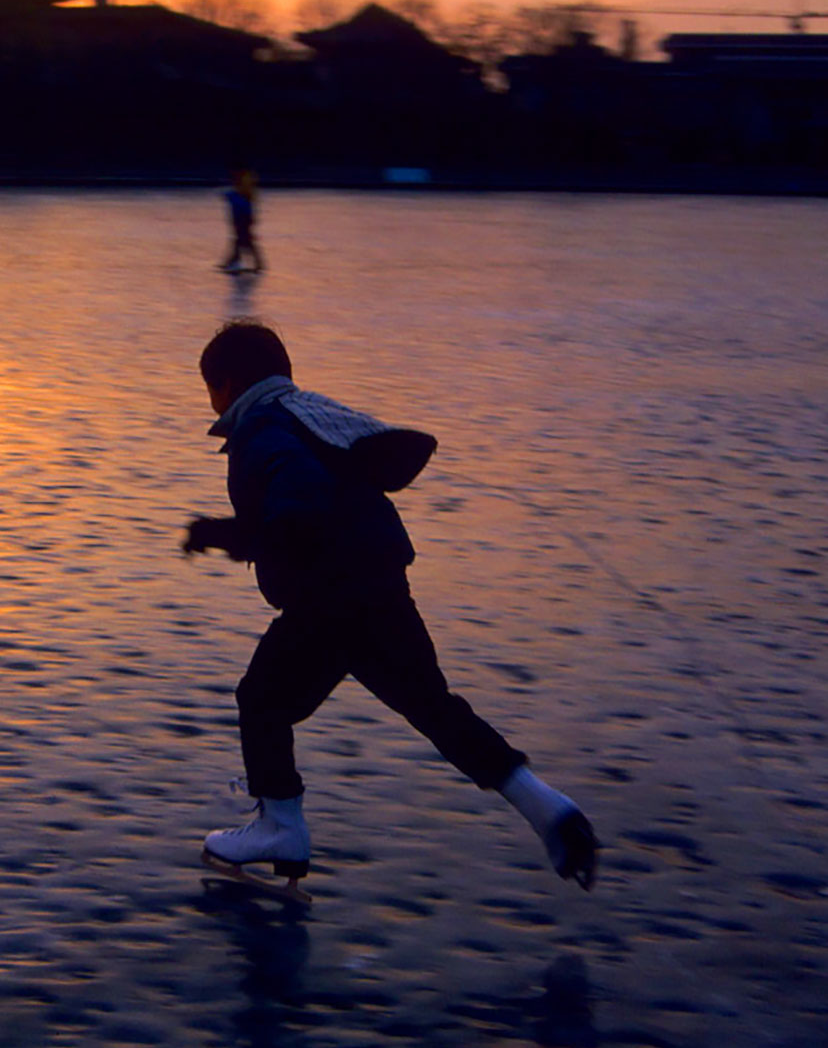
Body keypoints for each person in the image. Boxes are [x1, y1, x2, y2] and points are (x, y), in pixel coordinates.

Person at [183, 320, 598, 892]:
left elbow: (298, 505)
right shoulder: (311, 418)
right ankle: (548, 809)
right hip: (382, 587)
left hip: (327, 600)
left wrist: (224, 533)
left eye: (210, 388)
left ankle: (280, 826)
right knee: (433, 707)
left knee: (261, 700)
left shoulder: (263, 430)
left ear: (226, 386)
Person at [220, 170, 264, 274]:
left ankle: (235, 263)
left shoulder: (240, 192)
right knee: (244, 241)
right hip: (241, 219)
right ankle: (236, 262)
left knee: (242, 241)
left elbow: (231, 198)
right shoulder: (243, 191)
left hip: (242, 219)